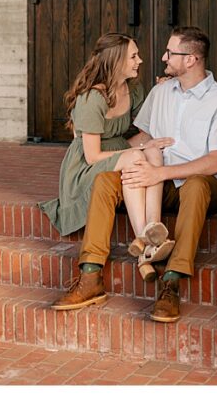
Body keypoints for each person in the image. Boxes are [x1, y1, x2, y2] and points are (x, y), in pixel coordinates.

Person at [51, 26, 217, 324]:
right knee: (105, 181)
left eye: (170, 52)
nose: (162, 56)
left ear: (191, 59)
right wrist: (129, 159)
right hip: (159, 180)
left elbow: (216, 163)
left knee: (195, 186)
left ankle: (171, 280)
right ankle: (91, 275)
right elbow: (143, 137)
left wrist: (159, 171)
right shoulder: (161, 91)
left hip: (201, 184)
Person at [39, 33, 176, 281]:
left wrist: (162, 91)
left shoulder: (134, 89)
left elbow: (143, 134)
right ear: (116, 61)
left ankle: (153, 231)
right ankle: (145, 244)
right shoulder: (92, 98)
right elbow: (93, 156)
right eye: (133, 56)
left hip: (120, 149)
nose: (140, 60)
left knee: (153, 150)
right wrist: (136, 151)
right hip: (87, 166)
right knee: (137, 157)